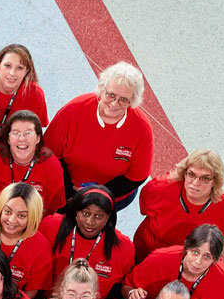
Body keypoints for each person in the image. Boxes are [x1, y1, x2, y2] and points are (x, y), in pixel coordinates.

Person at [44, 62, 153, 209]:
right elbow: (49, 153)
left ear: (132, 101)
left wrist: (96, 195)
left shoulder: (142, 129)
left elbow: (136, 177)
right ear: (101, 90)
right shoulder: (73, 111)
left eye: (124, 99)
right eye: (111, 95)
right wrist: (69, 190)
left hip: (111, 194)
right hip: (66, 185)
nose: (115, 103)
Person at [134, 149, 224, 262]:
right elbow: (144, 207)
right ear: (184, 173)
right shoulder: (159, 188)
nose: (195, 183)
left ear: (215, 181)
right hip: (148, 252)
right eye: (191, 174)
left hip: (194, 263)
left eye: (205, 178)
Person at [125, 224, 224, 299]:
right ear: (187, 247)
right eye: (195, 252)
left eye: (207, 257)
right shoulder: (159, 259)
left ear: (215, 259)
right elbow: (127, 286)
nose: (198, 261)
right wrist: (132, 294)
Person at [40, 184, 135, 299]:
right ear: (76, 212)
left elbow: (122, 288)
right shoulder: (50, 227)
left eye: (98, 216)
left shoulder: (123, 248)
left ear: (108, 218)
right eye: (85, 213)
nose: (90, 222)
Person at [0, 110, 65, 215]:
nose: (21, 139)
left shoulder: (50, 164)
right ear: (8, 138)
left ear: (38, 138)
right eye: (16, 133)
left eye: (28, 133)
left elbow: (50, 211)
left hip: (33, 226)